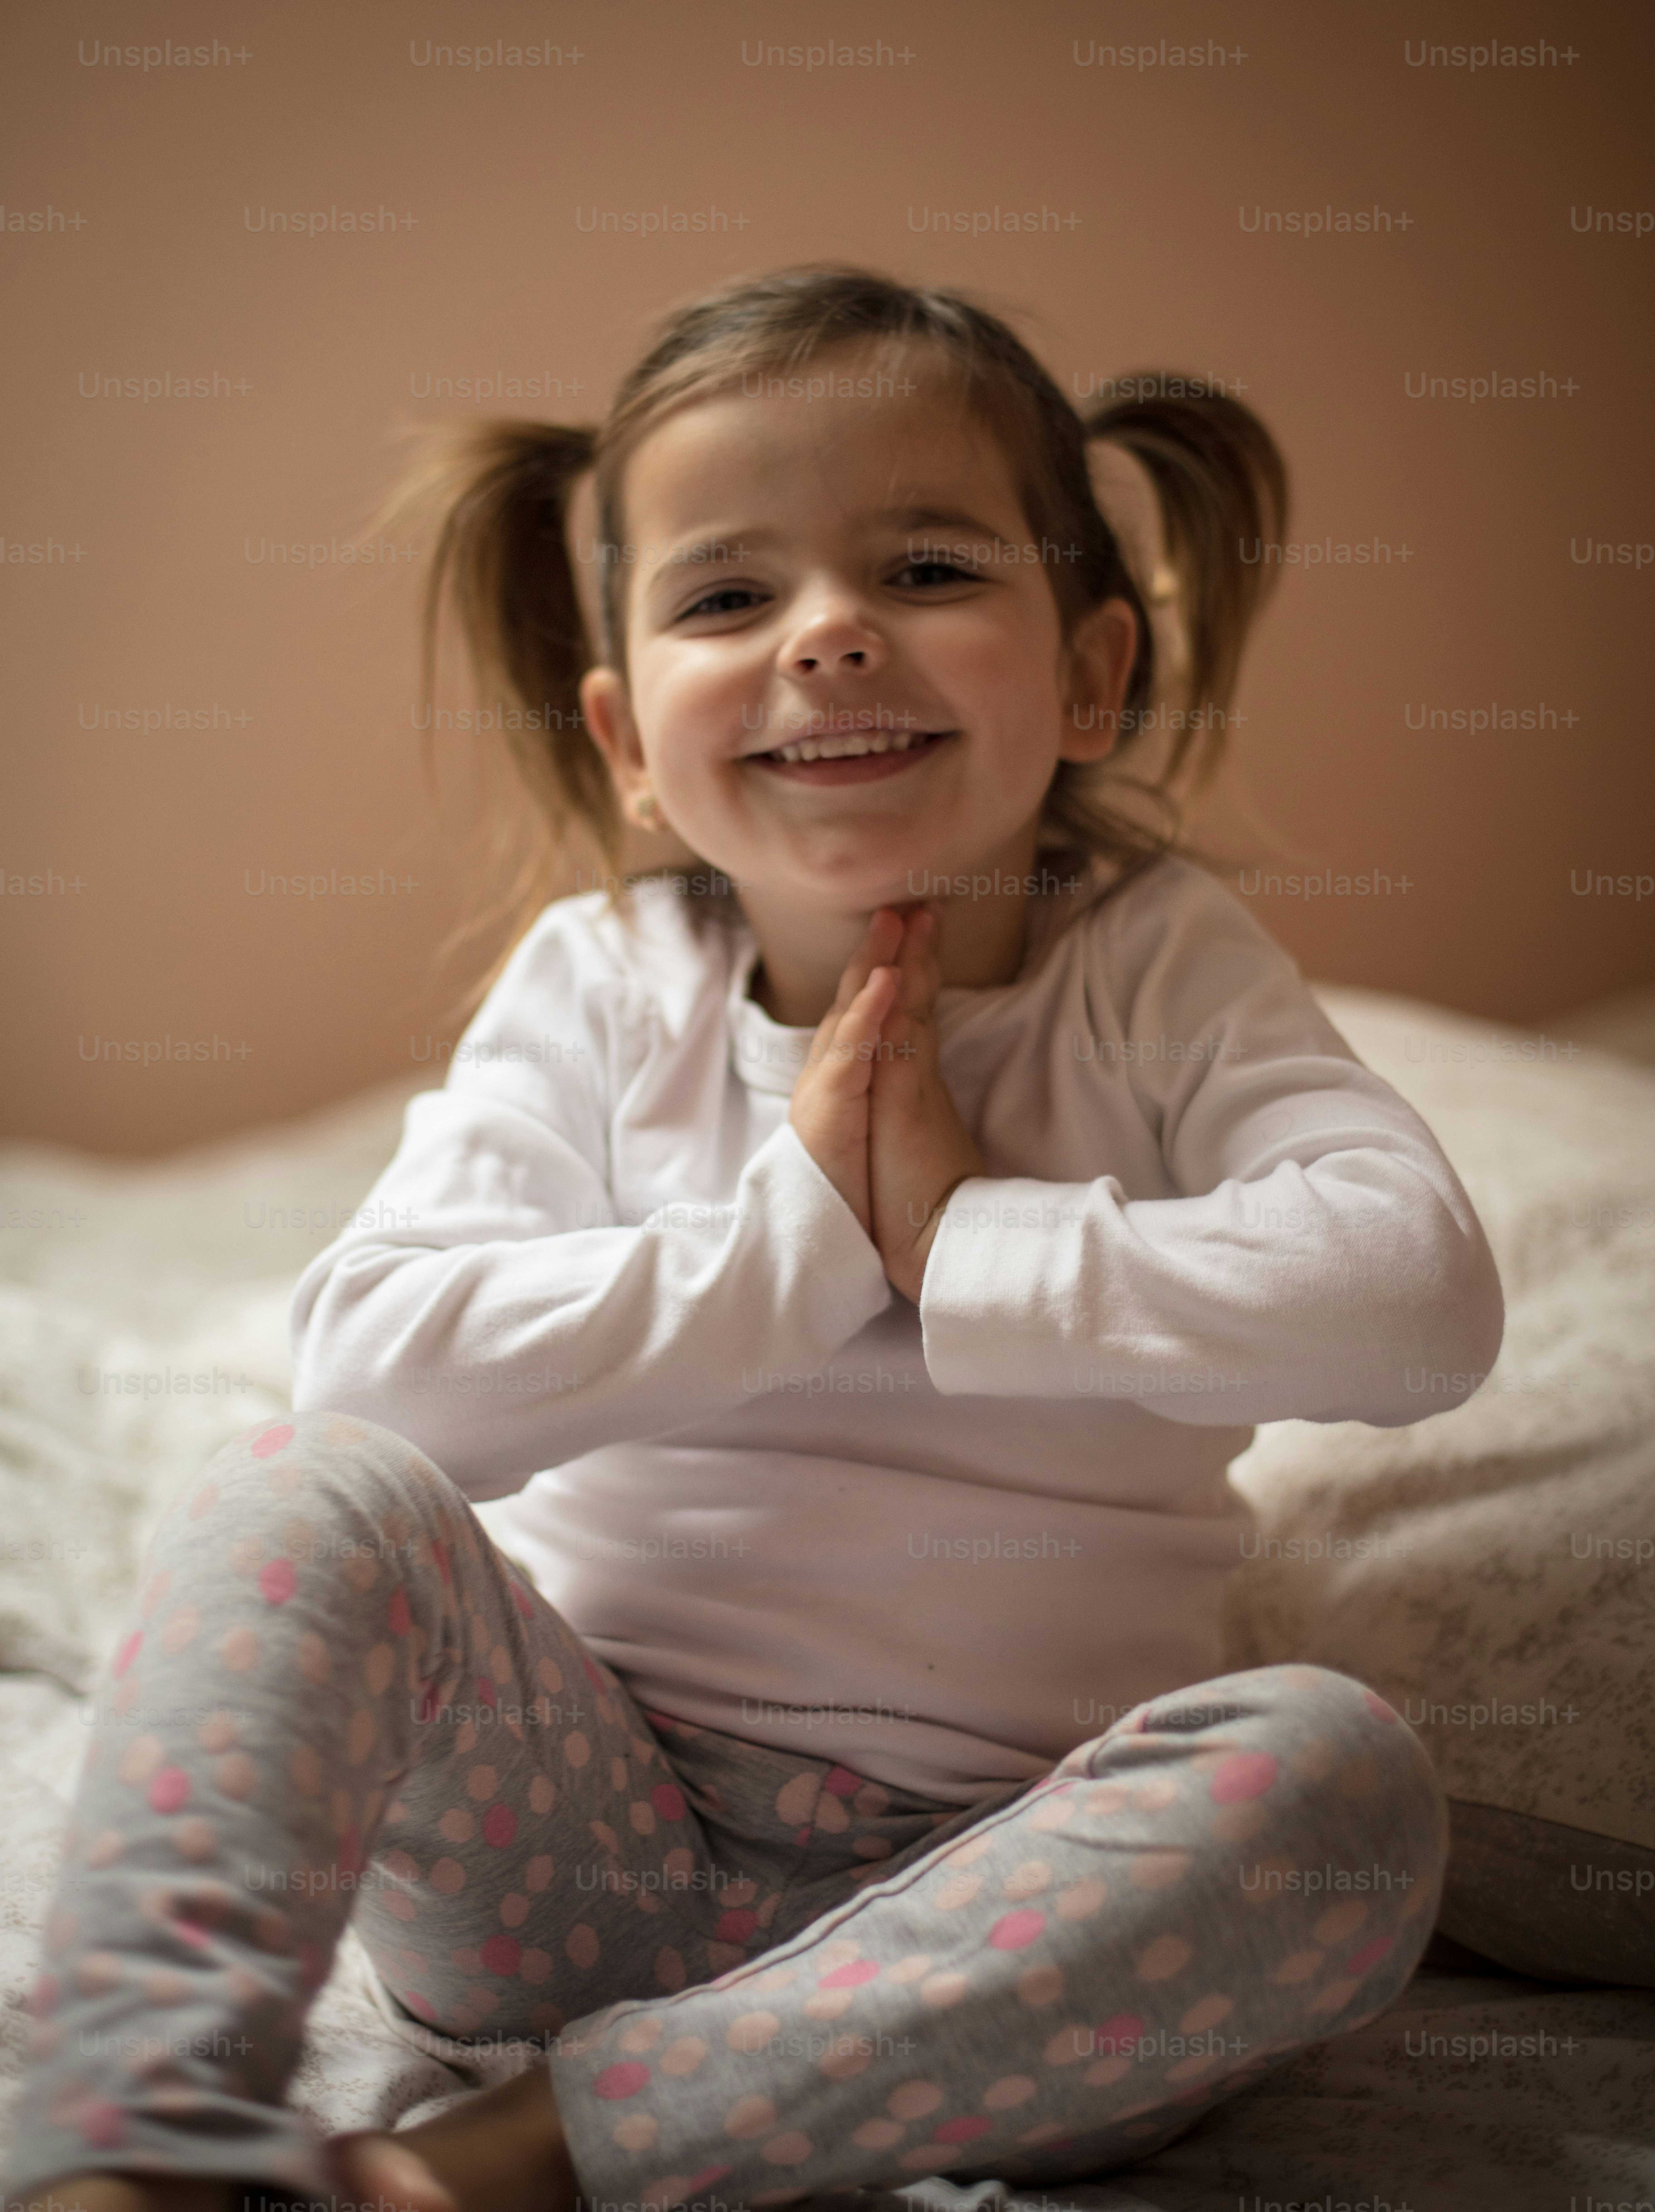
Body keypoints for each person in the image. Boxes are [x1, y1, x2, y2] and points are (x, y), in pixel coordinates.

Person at [8, 264, 1503, 2212]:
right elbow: (375, 1365)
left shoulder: (1160, 973)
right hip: (580, 1844)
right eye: (730, 595)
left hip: (986, 1913)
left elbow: (1421, 1301)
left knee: (1342, 1784)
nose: (827, 638)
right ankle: (133, 2138)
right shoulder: (610, 979)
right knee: (306, 1489)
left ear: (1092, 674)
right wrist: (797, 1240)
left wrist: (969, 1237)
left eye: (929, 568)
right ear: (634, 737)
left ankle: (511, 2160)